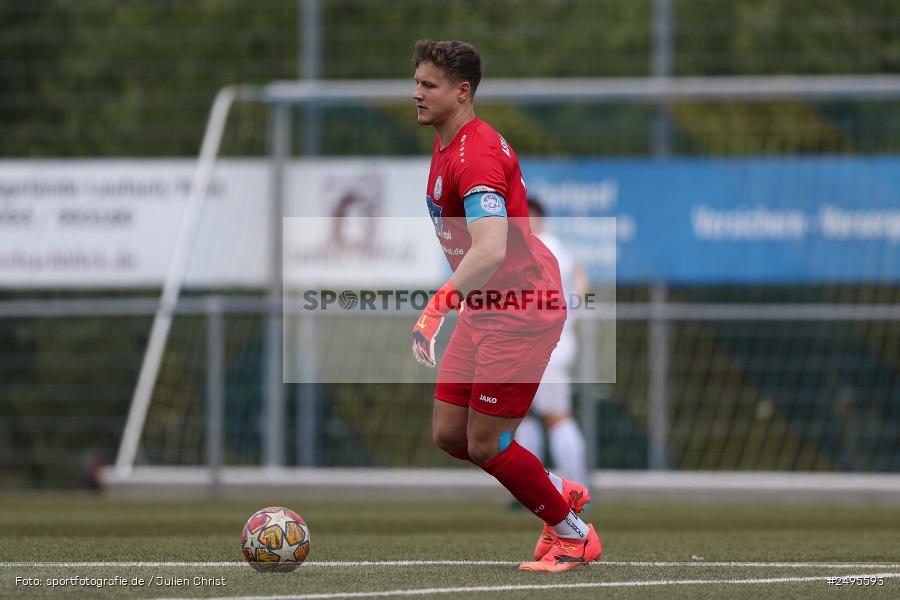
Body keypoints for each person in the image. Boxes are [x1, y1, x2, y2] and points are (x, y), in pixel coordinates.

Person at [410, 39, 601, 572]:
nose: (417, 93)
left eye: (429, 85)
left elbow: (491, 248)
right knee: (450, 435)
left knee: (487, 443)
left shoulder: (477, 153)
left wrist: (436, 307)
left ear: (462, 92)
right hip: (486, 307)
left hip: (520, 310)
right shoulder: (448, 144)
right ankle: (555, 489)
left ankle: (575, 535)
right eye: (417, 82)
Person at [514, 197, 590, 492]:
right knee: (525, 416)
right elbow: (580, 277)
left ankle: (577, 489)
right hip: (536, 348)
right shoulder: (552, 247)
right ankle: (529, 490)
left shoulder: (541, 247)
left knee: (556, 416)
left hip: (544, 349)